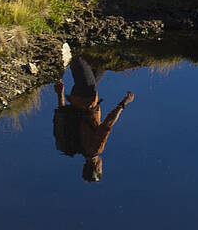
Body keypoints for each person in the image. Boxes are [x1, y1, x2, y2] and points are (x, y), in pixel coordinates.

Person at [52, 54, 135, 182]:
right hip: (78, 99)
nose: (102, 167)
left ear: (96, 167)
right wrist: (60, 94)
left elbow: (107, 124)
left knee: (77, 58)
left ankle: (62, 48)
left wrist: (124, 103)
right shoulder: (77, 147)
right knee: (102, 63)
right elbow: (64, 117)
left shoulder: (96, 149)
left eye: (101, 169)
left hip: (87, 96)